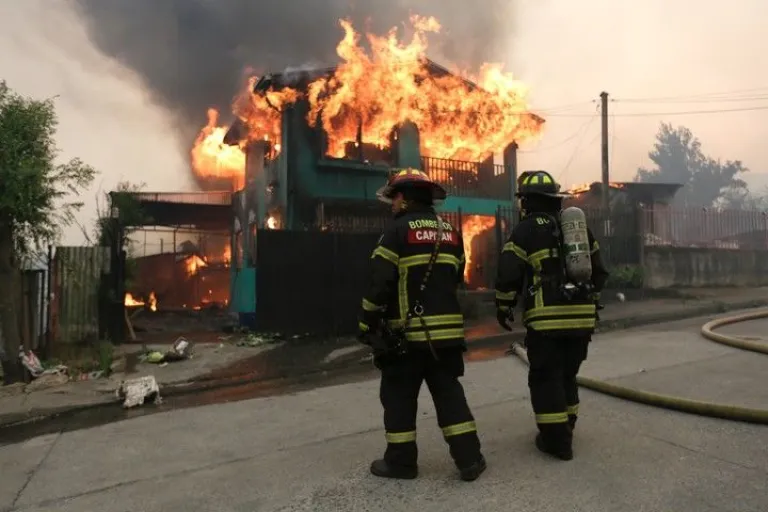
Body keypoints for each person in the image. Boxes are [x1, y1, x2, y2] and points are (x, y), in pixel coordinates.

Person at [357, 168, 486, 482]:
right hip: (448, 337)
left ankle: (401, 464)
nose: (391, 205)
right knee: (449, 395)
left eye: (394, 198)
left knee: (399, 397)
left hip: (408, 337)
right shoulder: (451, 233)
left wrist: (367, 321)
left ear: (403, 198)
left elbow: (380, 283)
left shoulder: (396, 231)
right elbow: (456, 278)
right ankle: (469, 460)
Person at [494, 170, 609, 461]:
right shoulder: (579, 230)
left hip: (547, 321)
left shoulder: (525, 230)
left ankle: (557, 442)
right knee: (568, 375)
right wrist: (588, 300)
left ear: (527, 202)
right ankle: (566, 425)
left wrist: (504, 304)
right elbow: (599, 271)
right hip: (582, 318)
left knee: (546, 378)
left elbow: (509, 272)